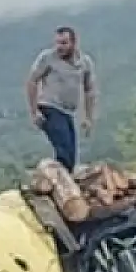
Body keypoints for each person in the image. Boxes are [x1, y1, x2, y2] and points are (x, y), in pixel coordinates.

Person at [26, 26, 97, 171]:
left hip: (68, 112)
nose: (60, 47)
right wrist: (34, 112)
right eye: (57, 43)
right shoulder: (47, 58)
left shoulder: (84, 62)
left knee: (71, 155)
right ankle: (58, 183)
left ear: (73, 43)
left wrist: (88, 117)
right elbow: (32, 81)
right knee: (63, 151)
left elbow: (89, 90)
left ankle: (65, 183)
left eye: (64, 43)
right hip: (49, 107)